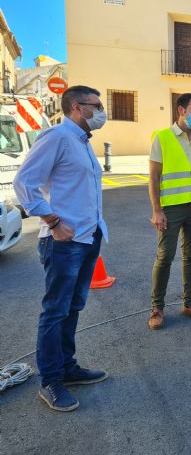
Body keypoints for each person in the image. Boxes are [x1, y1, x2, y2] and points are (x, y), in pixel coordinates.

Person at [13, 85, 110, 411]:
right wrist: (54, 222)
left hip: (88, 237)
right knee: (55, 311)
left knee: (72, 308)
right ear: (77, 107)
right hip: (63, 241)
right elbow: (24, 182)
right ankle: (51, 380)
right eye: (96, 106)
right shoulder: (57, 137)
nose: (101, 112)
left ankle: (67, 367)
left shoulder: (82, 142)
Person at [147, 93, 191, 330]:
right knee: (165, 256)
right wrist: (157, 210)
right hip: (170, 207)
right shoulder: (162, 137)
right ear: (181, 110)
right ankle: (157, 308)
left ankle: (189, 304)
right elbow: (153, 177)